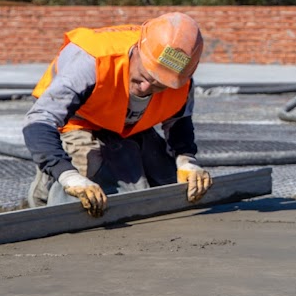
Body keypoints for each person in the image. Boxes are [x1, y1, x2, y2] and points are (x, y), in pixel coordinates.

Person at [23, 12, 212, 218]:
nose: (146, 87)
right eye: (144, 75)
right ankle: (45, 197)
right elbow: (39, 122)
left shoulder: (180, 80)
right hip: (79, 119)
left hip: (128, 124)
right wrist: (68, 175)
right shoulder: (92, 60)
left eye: (159, 83)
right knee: (84, 188)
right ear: (138, 48)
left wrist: (187, 161)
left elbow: (179, 124)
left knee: (168, 184)